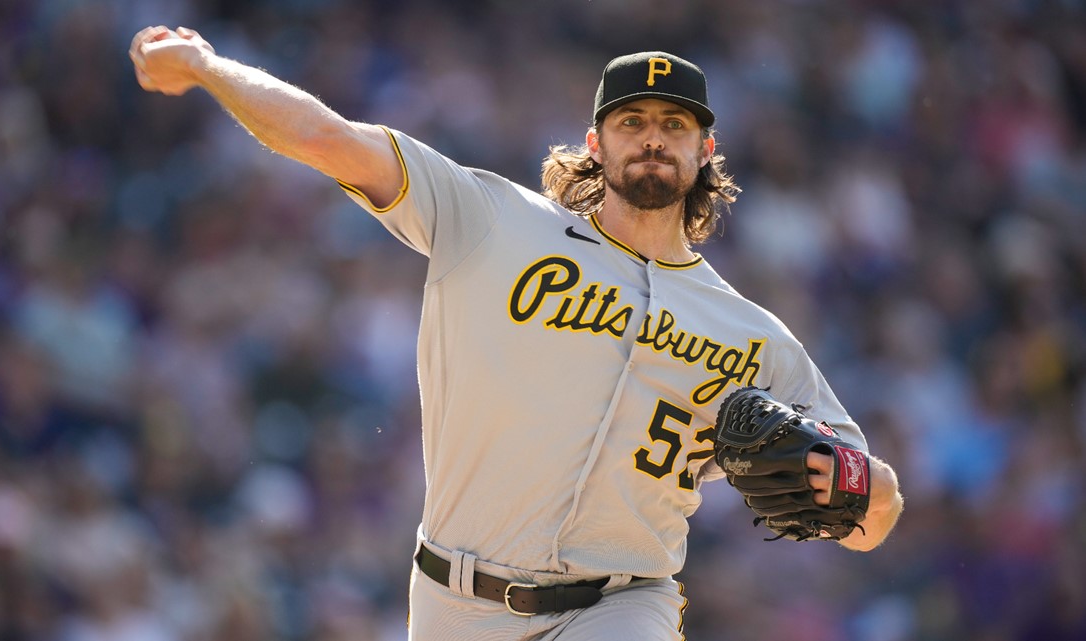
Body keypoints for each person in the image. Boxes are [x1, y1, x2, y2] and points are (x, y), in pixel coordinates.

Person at [130, 26, 904, 641]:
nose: (653, 137)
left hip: (622, 605)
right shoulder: (491, 219)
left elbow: (876, 511)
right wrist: (207, 65)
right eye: (631, 120)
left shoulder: (752, 335)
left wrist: (852, 488)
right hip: (452, 599)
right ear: (597, 143)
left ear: (706, 151)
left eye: (675, 123)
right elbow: (329, 138)